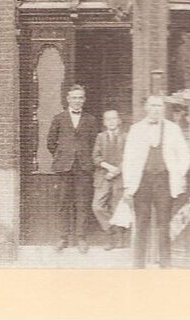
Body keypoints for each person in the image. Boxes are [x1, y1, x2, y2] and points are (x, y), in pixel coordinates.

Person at [121, 94, 190, 269]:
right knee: (141, 224)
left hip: (164, 182)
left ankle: (165, 265)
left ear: (163, 109)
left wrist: (178, 174)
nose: (155, 109)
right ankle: (138, 266)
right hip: (142, 182)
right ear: (146, 108)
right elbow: (128, 158)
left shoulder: (173, 129)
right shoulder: (136, 129)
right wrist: (128, 185)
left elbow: (184, 155)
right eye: (152, 105)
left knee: (164, 224)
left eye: (159, 106)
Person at [46, 84, 99, 253]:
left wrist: (86, 159)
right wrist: (63, 155)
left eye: (80, 97)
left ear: (84, 100)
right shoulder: (59, 118)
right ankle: (63, 237)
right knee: (63, 202)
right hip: (64, 167)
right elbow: (50, 142)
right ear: (68, 99)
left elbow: (94, 143)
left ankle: (81, 237)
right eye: (74, 97)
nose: (77, 101)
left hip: (83, 168)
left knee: (82, 203)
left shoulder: (90, 119)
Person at [91, 110, 128, 250]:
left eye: (114, 118)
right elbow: (96, 157)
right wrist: (109, 168)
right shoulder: (100, 137)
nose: (111, 122)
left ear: (119, 121)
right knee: (97, 206)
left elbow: (129, 157)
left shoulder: (126, 137)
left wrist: (116, 170)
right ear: (104, 122)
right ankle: (110, 231)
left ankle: (118, 238)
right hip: (103, 176)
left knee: (117, 207)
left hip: (120, 176)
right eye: (108, 119)